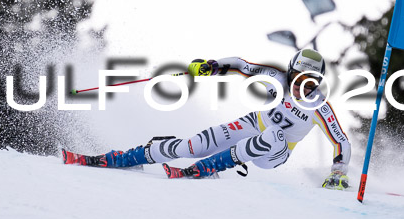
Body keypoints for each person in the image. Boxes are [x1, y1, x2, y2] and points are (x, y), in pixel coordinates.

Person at [62, 48, 352, 189]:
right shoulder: (275, 77)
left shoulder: (319, 107)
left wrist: (338, 173)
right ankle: (125, 158)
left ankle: (207, 168)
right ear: (291, 72)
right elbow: (241, 65)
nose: (304, 84)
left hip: (275, 153)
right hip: (252, 124)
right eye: (299, 76)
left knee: (272, 135)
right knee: (192, 144)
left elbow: (341, 141)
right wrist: (212, 67)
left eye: (311, 79)